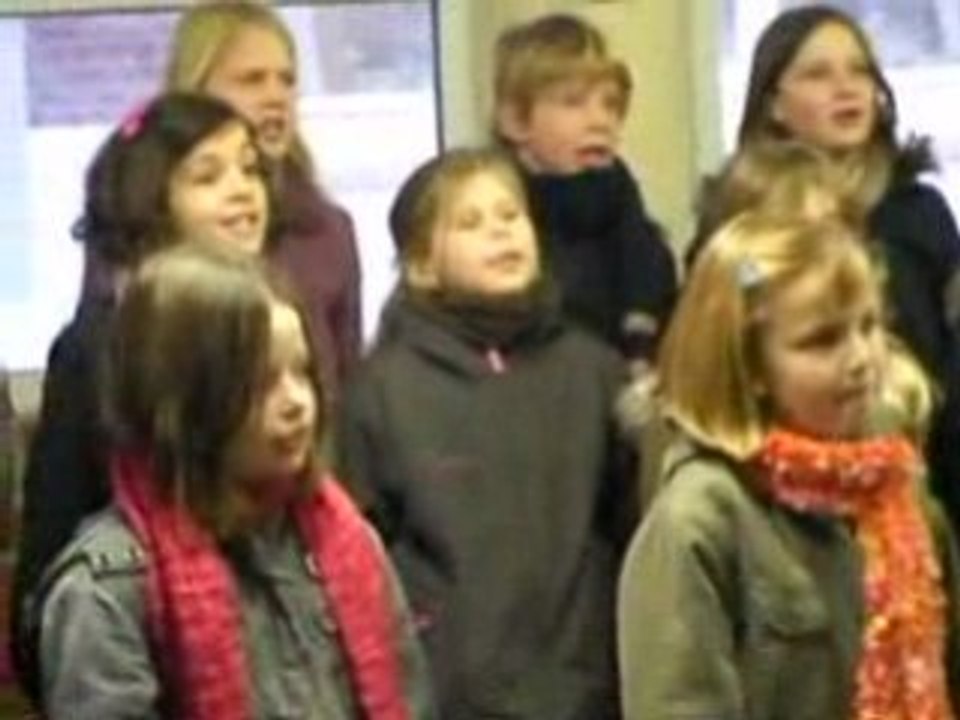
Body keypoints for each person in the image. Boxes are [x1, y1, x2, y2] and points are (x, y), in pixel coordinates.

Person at [35, 243, 434, 719]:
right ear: (183, 402)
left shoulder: (346, 543)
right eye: (262, 382)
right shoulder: (107, 589)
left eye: (302, 372)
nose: (297, 402)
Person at [618, 212, 960, 718]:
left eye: (869, 327)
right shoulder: (700, 520)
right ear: (749, 364)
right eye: (822, 341)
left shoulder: (895, 489)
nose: (862, 358)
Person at [337, 148, 633, 720]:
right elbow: (360, 548)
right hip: (450, 691)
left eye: (510, 215)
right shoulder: (382, 389)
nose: (500, 232)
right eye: (470, 223)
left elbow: (628, 523)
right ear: (421, 264)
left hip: (584, 685)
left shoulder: (592, 369)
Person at [11, 92, 274, 697]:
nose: (242, 189)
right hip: (145, 644)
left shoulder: (270, 322)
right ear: (151, 201)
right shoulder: (98, 345)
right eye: (208, 176)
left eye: (249, 168)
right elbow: (56, 539)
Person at [687, 5, 960, 527]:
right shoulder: (738, 220)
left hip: (920, 471)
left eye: (859, 71)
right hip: (781, 485)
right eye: (818, 74)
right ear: (774, 104)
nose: (847, 88)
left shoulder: (917, 213)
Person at [165, 0, 363, 400]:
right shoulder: (146, 218)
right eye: (252, 80)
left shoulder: (328, 231)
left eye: (287, 80)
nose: (276, 96)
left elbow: (347, 383)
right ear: (195, 89)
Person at [492, 13, 677, 371]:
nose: (600, 121)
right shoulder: (500, 227)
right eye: (573, 102)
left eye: (610, 104)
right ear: (515, 121)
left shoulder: (634, 224)